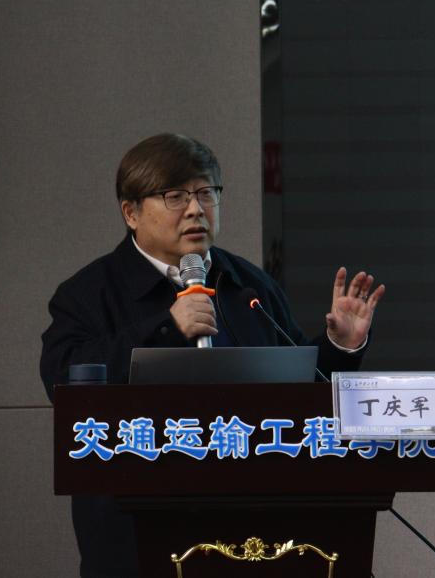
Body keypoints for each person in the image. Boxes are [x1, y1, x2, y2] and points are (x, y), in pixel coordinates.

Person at [40, 133, 385, 578]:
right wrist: (168, 328)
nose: (195, 209)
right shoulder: (88, 294)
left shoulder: (248, 285)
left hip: (255, 535)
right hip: (136, 542)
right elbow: (64, 383)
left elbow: (301, 389)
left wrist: (340, 345)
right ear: (131, 212)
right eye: (175, 196)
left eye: (206, 193)